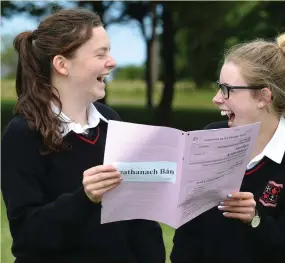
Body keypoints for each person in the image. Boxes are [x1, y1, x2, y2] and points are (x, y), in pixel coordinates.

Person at [1, 8, 165, 263]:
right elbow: (27, 238)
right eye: (101, 53)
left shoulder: (111, 121)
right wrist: (85, 198)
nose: (112, 62)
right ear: (62, 65)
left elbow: (139, 221)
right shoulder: (22, 134)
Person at [170, 33, 285, 263]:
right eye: (219, 87)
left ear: (263, 96)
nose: (217, 98)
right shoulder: (208, 139)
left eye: (227, 89)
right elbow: (188, 235)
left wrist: (255, 219)